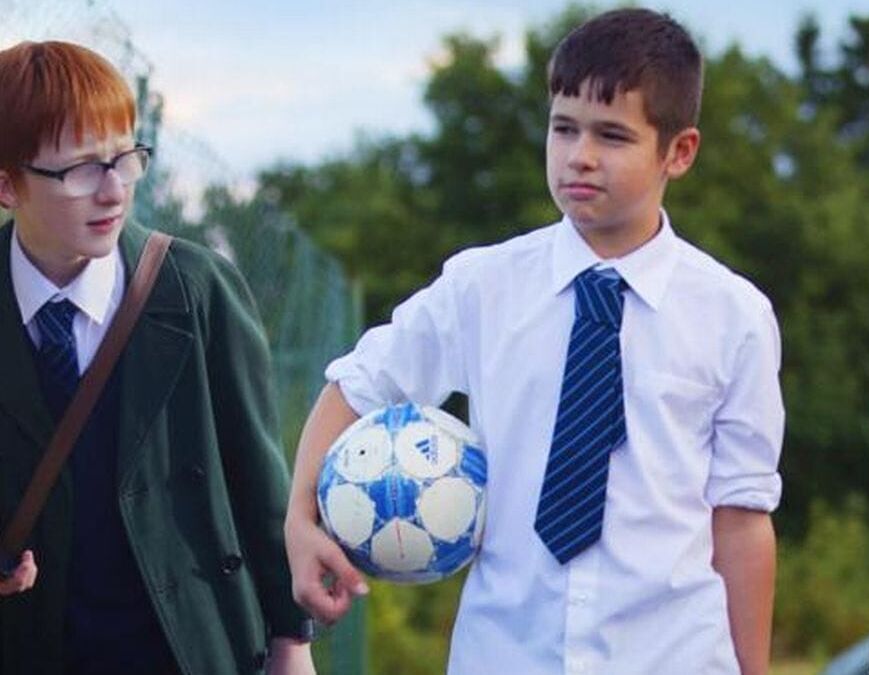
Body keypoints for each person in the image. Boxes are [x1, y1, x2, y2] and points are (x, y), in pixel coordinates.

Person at [285, 8, 784, 674]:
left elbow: (741, 517)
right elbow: (358, 384)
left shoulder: (734, 316)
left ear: (679, 151)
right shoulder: (480, 287)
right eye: (563, 127)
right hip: (505, 652)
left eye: (612, 135)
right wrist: (300, 517)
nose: (580, 155)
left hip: (673, 655)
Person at [0, 41, 313, 674]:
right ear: (7, 184)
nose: (114, 190)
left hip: (186, 649)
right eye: (80, 170)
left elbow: (257, 477)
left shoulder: (196, 288)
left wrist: (292, 641)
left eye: (125, 158)